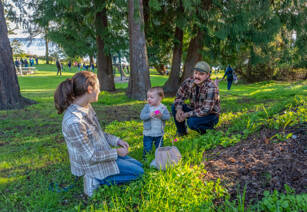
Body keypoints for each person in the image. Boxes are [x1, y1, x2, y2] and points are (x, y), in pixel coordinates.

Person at [54, 71, 144, 197]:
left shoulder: (86, 106)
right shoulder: (74, 122)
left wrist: (117, 141)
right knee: (139, 172)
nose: (100, 91)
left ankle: (104, 174)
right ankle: (95, 179)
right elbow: (90, 157)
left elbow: (98, 133)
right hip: (91, 165)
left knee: (138, 165)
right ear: (90, 89)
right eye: (98, 87)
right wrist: (117, 152)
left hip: (101, 153)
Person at [172, 61, 220, 135]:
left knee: (192, 122)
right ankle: (181, 132)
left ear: (207, 75)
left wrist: (186, 114)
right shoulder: (188, 82)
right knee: (174, 106)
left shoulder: (211, 87)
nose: (197, 76)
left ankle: (208, 130)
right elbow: (179, 97)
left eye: (201, 74)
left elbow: (206, 110)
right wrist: (179, 110)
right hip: (194, 109)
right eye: (196, 73)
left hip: (210, 115)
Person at [140, 87, 170, 158]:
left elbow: (167, 117)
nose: (149, 99)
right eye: (148, 97)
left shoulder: (163, 108)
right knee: (147, 147)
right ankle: (146, 159)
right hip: (148, 133)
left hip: (159, 133)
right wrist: (149, 115)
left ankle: (159, 158)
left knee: (159, 148)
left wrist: (161, 115)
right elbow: (142, 116)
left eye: (151, 97)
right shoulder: (147, 107)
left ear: (159, 98)